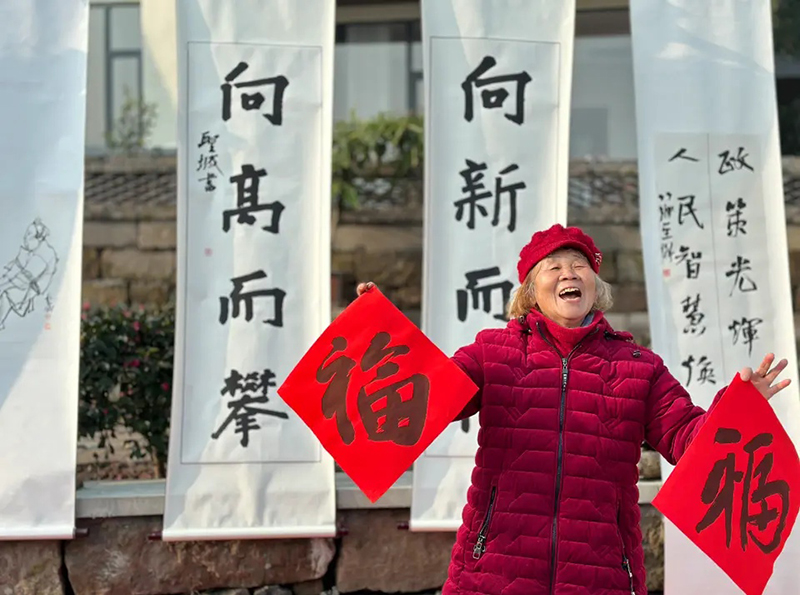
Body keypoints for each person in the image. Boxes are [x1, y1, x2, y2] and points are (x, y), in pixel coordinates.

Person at [356, 223, 790, 595]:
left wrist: (738, 408)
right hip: (493, 573)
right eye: (555, 266)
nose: (570, 273)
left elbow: (688, 440)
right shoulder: (492, 352)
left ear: (596, 287)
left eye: (580, 265)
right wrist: (383, 333)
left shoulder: (638, 368)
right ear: (531, 290)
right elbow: (432, 396)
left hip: (601, 576)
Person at [0, 218, 58, 331]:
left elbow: (24, 278)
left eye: (29, 236)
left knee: (6, 293)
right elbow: (16, 267)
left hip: (32, 289)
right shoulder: (32, 250)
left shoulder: (44, 253)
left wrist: (3, 285)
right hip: (24, 283)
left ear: (39, 238)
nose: (25, 239)